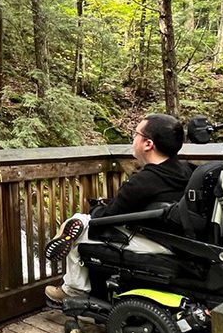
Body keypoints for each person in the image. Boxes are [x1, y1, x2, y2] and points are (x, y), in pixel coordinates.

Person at [45, 114, 195, 303]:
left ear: (148, 144)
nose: (133, 139)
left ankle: (73, 290)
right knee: (82, 223)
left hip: (160, 243)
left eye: (136, 134)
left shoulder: (142, 182)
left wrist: (96, 211)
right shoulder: (187, 170)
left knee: (82, 230)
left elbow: (107, 218)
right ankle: (75, 229)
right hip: (182, 240)